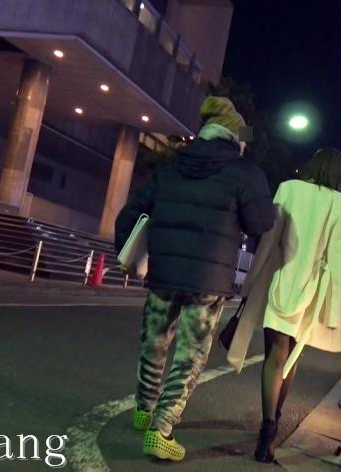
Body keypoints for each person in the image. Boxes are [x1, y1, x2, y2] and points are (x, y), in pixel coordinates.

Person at [115, 96, 274, 462]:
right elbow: (261, 223)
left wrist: (125, 252)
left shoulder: (171, 165)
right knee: (190, 355)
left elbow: (131, 212)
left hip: (163, 271)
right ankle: (162, 429)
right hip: (208, 279)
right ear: (234, 136)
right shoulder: (244, 172)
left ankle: (143, 409)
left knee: (154, 341)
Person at [225, 148, 341, 463]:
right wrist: (334, 309)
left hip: (281, 281)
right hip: (311, 290)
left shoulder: (288, 188)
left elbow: (269, 238)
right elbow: (335, 260)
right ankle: (273, 430)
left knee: (274, 356)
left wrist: (252, 281)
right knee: (292, 358)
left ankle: (267, 424)